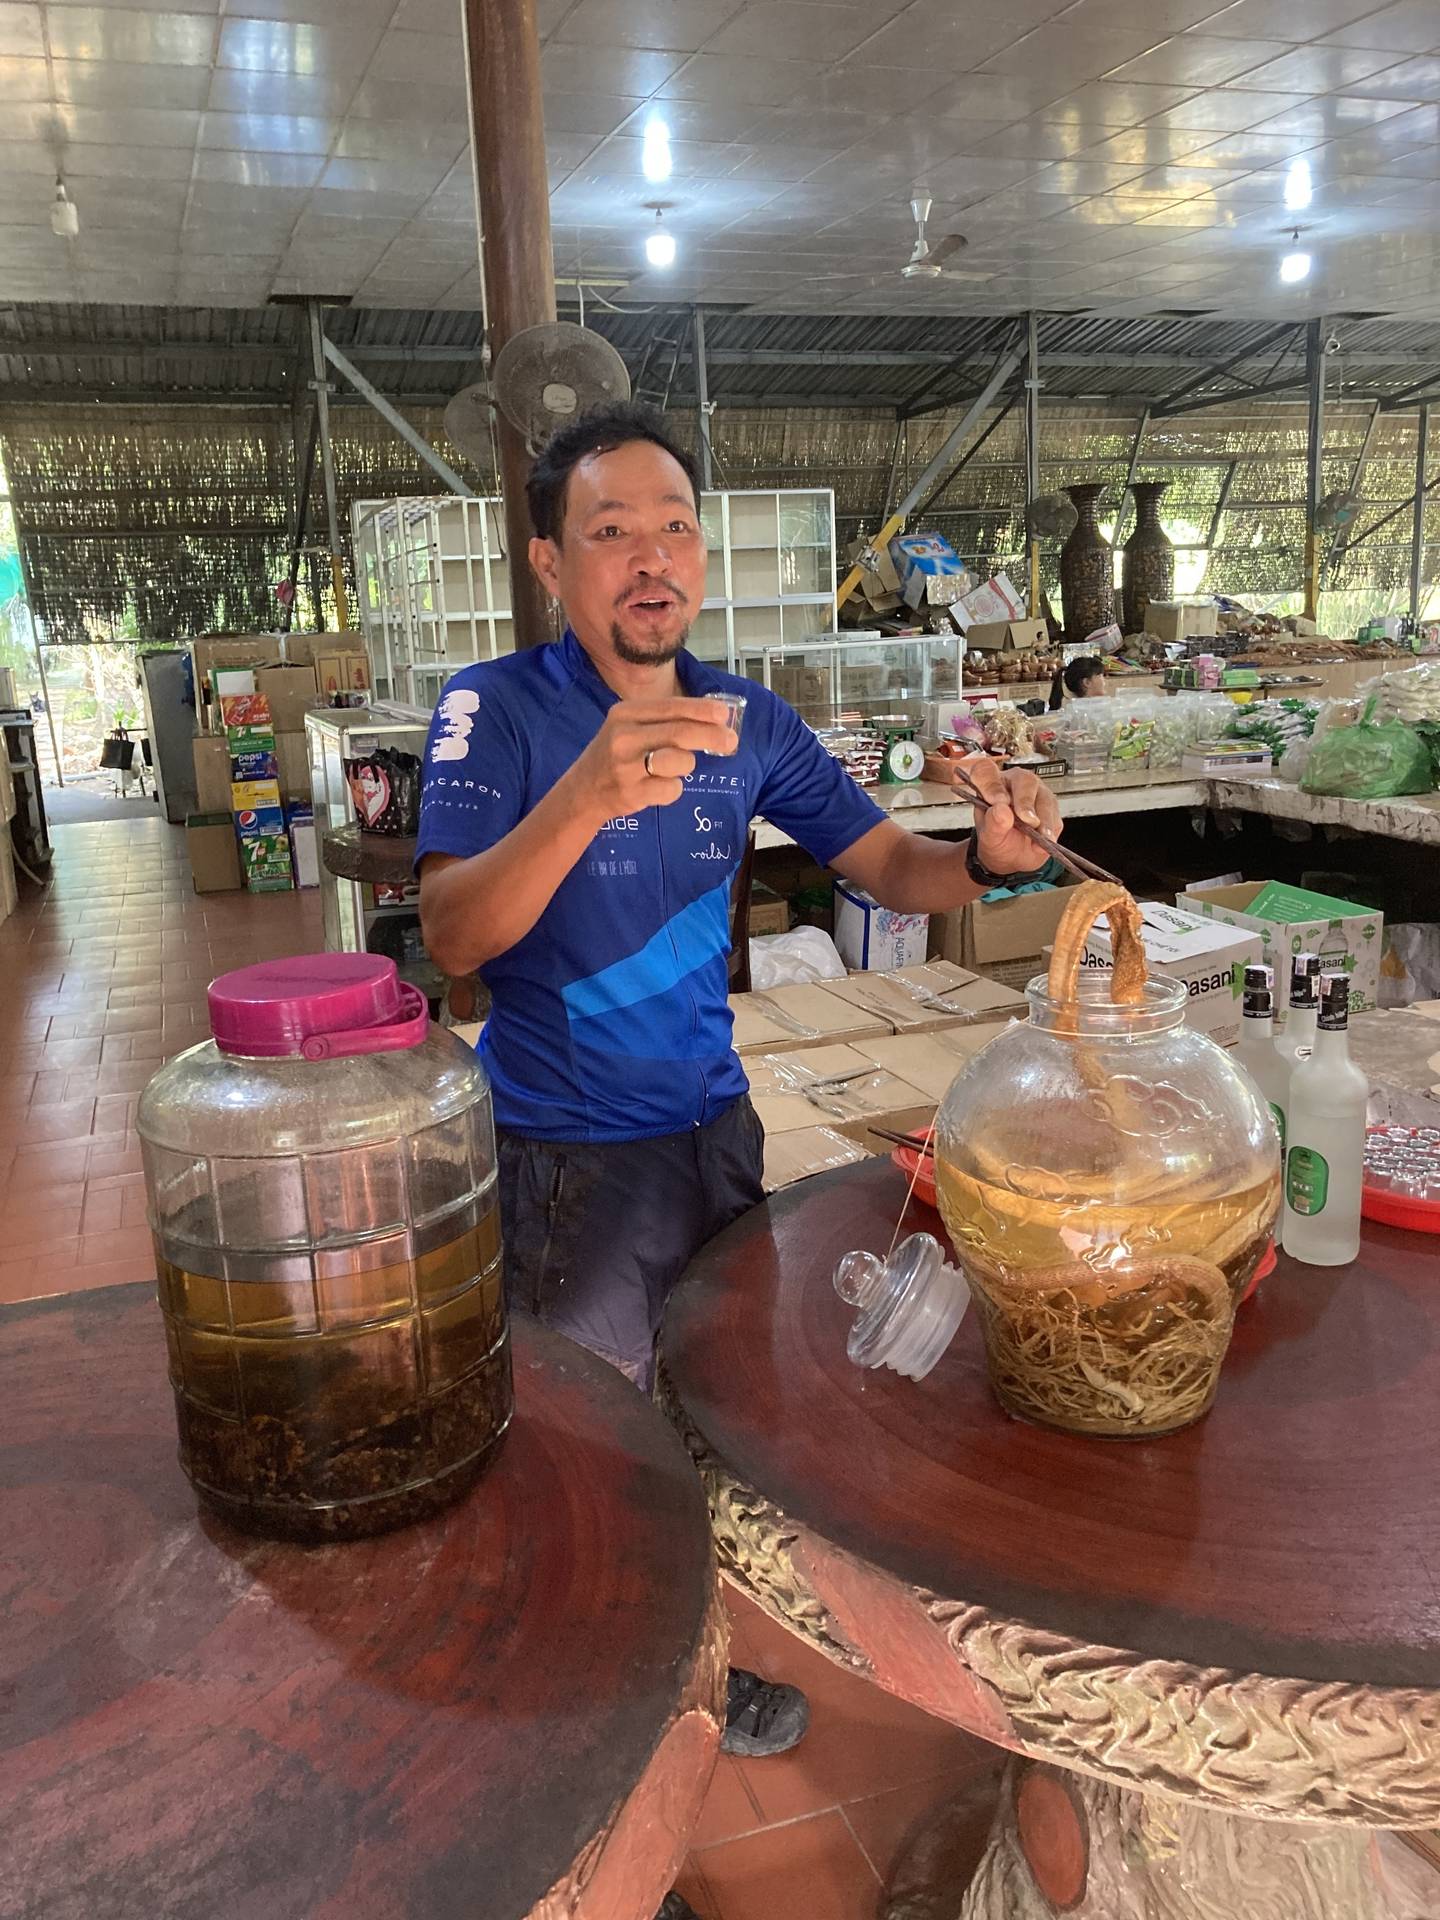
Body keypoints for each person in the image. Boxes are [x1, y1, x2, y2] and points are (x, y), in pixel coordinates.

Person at [416, 405, 1062, 1903]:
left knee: (704, 1419)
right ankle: (581, 1743)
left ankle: (690, 1660)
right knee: (581, 1456)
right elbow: (452, 937)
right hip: (561, 1157)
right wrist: (589, 791)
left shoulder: (744, 719)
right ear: (549, 561)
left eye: (674, 528)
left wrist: (988, 863)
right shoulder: (494, 711)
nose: (651, 559)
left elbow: (889, 865)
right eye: (611, 532)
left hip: (711, 1136)